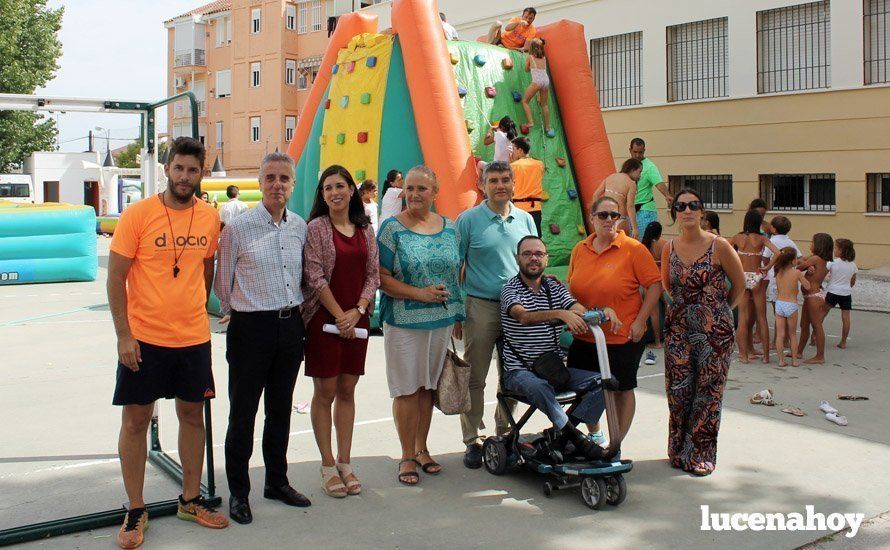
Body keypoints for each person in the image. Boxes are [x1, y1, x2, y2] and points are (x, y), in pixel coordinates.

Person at [108, 137, 227, 548]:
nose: (185, 176)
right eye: (179, 168)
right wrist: (124, 334)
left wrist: (196, 309)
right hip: (145, 338)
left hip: (193, 337)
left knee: (193, 416)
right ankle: (135, 509)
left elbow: (205, 272)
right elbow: (115, 278)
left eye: (193, 170)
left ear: (200, 174)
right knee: (136, 420)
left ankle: (190, 500)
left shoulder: (210, 218)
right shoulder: (138, 214)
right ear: (167, 169)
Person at [214, 152, 311, 523]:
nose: (277, 185)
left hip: (290, 328)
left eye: (284, 178)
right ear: (259, 182)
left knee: (280, 410)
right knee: (243, 413)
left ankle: (277, 481)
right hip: (250, 328)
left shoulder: (299, 226)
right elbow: (224, 283)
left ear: (292, 184)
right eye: (270, 177)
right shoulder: (239, 228)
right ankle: (239, 492)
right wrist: (238, 308)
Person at [377, 165, 464, 485]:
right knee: (406, 389)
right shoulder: (390, 229)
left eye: (421, 189)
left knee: (427, 387)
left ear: (434, 193)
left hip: (440, 322)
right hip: (403, 322)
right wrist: (420, 294)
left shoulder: (451, 228)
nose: (413, 194)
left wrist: (457, 314)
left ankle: (422, 448)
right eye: (409, 189)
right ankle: (405, 455)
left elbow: (456, 273)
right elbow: (381, 279)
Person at [501, 235, 620, 458]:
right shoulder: (510, 289)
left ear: (546, 259)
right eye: (527, 254)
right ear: (517, 259)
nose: (533, 258)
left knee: (605, 382)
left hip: (553, 369)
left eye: (538, 254)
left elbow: (577, 309)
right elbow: (523, 317)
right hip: (519, 371)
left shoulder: (553, 287)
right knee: (539, 388)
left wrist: (603, 312)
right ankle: (577, 439)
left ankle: (562, 434)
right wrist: (560, 314)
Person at [302, 165, 379, 498]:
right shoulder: (317, 228)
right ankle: (328, 465)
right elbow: (314, 277)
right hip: (324, 321)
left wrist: (358, 311)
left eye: (340, 186)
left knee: (348, 390)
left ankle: (346, 462)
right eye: (327, 188)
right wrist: (340, 316)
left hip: (357, 320)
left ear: (352, 190)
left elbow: (373, 275)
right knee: (326, 392)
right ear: (322, 195)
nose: (334, 192)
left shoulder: (365, 228)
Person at [456, 160, 537, 468]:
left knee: (514, 377)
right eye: (494, 180)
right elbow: (455, 266)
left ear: (514, 184)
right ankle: (473, 439)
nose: (500, 185)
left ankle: (505, 432)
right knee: (475, 376)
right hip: (480, 307)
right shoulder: (468, 220)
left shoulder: (526, 220)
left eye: (505, 179)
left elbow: (532, 262)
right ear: (483, 185)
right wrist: (457, 311)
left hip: (518, 309)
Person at [566, 196, 662, 454]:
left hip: (622, 338)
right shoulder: (580, 249)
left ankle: (615, 442)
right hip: (585, 336)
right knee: (582, 390)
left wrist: (641, 321)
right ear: (592, 217)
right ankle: (594, 435)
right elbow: (572, 289)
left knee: (620, 390)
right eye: (603, 215)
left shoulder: (633, 249)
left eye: (614, 215)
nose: (609, 220)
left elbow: (654, 284)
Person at [661, 188, 745, 476]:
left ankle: (701, 453)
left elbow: (739, 284)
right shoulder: (668, 249)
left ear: (701, 211)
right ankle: (678, 449)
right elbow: (668, 287)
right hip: (678, 330)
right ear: (675, 212)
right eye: (681, 206)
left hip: (715, 334)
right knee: (679, 390)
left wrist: (718, 312)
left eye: (693, 205)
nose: (687, 210)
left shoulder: (719, 245)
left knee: (708, 393)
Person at [729, 209, 780, 364]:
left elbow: (725, 251)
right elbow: (777, 253)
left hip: (742, 277)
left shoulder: (738, 237)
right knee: (762, 318)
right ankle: (765, 357)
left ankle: (743, 356)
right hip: (757, 277)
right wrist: (768, 266)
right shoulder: (761, 238)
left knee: (743, 318)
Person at [762, 216, 802, 350]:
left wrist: (766, 267)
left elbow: (765, 258)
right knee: (787, 311)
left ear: (773, 228)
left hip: (776, 279)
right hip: (790, 282)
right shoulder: (790, 242)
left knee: (777, 312)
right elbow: (800, 257)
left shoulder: (771, 241)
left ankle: (777, 340)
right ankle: (785, 340)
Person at [797, 233, 834, 363]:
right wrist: (807, 264)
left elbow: (797, 266)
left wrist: (806, 265)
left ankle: (820, 356)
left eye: (812, 242)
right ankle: (799, 352)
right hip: (810, 296)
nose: (810, 244)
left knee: (816, 326)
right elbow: (803, 262)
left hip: (813, 297)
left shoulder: (816, 259)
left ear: (819, 245)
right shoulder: (819, 259)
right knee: (804, 325)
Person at [773, 248, 810, 367]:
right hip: (791, 304)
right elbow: (807, 286)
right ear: (792, 261)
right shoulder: (796, 273)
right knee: (792, 334)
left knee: (780, 334)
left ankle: (781, 360)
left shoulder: (778, 271)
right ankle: (794, 360)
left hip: (779, 304)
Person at [629, 138, 672, 237]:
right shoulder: (629, 165)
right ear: (630, 150)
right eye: (635, 152)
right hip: (631, 211)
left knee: (644, 244)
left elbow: (659, 183)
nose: (637, 155)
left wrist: (667, 195)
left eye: (640, 152)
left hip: (644, 211)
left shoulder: (649, 167)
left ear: (644, 151)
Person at [592, 158, 641, 238]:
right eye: (639, 172)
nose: (640, 175)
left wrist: (596, 214)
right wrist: (635, 228)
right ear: (632, 170)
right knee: (622, 246)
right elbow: (630, 207)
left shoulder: (610, 177)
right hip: (620, 218)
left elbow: (595, 195)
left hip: (605, 218)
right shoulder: (631, 184)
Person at [822, 238, 857, 349]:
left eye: (835, 248)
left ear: (841, 250)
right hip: (846, 293)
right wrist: (846, 287)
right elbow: (852, 281)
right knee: (846, 318)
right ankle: (843, 342)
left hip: (832, 291)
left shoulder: (832, 263)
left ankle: (814, 336)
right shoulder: (853, 265)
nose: (834, 250)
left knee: (822, 314)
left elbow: (822, 273)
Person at [509, 137, 545, 236]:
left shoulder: (514, 166)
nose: (512, 152)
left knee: (520, 237)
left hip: (519, 208)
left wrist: (511, 163)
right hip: (535, 207)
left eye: (513, 149)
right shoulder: (539, 164)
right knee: (536, 237)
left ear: (520, 150)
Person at [520, 38, 553, 137]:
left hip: (537, 82)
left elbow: (526, 69)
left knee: (525, 101)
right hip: (545, 81)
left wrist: (528, 64)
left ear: (532, 48)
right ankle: (548, 127)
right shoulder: (544, 58)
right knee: (544, 105)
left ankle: (530, 122)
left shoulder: (530, 57)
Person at [641, 221, 665, 353]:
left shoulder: (642, 245)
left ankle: (657, 342)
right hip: (662, 280)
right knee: (668, 307)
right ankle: (668, 335)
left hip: (649, 281)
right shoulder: (663, 244)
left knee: (654, 313)